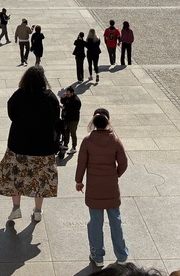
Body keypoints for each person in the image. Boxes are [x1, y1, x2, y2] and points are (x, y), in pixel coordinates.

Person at [0, 65, 60, 223]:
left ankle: (16, 208)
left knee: (16, 176)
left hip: (19, 144)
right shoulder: (50, 97)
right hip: (44, 146)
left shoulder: (19, 95)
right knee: (41, 179)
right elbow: (55, 118)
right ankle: (38, 211)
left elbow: (11, 113)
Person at [75, 109, 129, 267]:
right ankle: (121, 255)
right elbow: (124, 164)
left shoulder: (87, 141)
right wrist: (115, 175)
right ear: (108, 121)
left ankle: (98, 256)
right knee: (116, 221)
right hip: (111, 187)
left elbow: (81, 164)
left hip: (94, 188)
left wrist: (79, 181)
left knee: (95, 223)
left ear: (93, 122)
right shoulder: (115, 141)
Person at [60, 86, 82, 154]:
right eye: (66, 94)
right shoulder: (67, 97)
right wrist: (62, 98)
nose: (67, 95)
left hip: (73, 120)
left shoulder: (76, 101)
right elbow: (63, 102)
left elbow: (73, 110)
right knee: (66, 132)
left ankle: (74, 147)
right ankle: (66, 145)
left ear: (72, 93)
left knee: (73, 133)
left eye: (68, 94)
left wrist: (65, 108)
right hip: (66, 118)